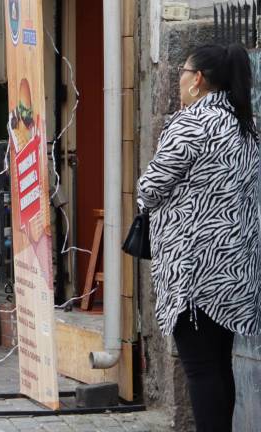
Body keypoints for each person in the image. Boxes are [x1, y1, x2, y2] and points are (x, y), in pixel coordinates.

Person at [138, 43, 260, 431]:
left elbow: (150, 188)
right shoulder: (245, 126)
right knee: (219, 367)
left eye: (183, 72)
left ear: (198, 79)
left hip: (194, 272)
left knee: (201, 370)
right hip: (233, 269)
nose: (180, 79)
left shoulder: (192, 123)